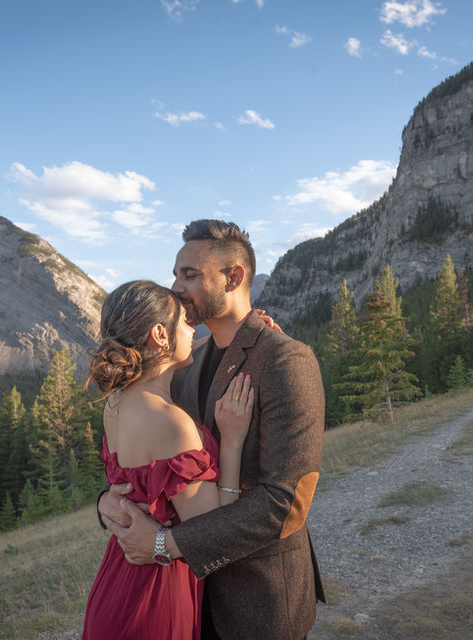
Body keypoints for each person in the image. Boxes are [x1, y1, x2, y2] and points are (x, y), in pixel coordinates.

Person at [98, 220, 326, 640]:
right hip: (186, 603)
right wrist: (107, 503)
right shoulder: (184, 364)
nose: (176, 287)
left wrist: (166, 545)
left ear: (233, 277)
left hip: (258, 601)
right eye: (175, 273)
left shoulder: (286, 361)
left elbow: (286, 503)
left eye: (190, 275)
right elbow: (154, 460)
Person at [82, 280, 255, 639]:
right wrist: (233, 441)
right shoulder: (170, 423)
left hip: (117, 579)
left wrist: (249, 334)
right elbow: (213, 528)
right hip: (154, 593)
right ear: (161, 334)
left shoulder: (115, 405)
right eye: (185, 322)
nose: (195, 328)